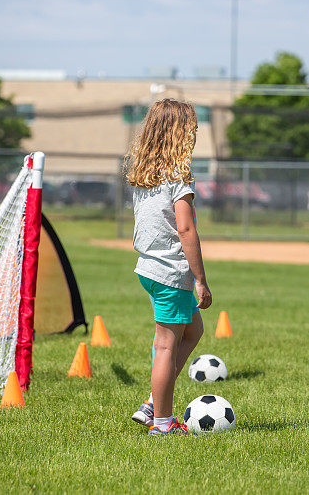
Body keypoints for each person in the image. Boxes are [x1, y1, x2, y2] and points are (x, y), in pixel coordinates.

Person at [126, 99, 212, 435]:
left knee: (194, 331)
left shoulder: (146, 173)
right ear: (180, 134)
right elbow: (186, 229)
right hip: (171, 273)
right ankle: (161, 422)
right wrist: (201, 280)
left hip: (149, 268)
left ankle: (152, 403)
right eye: (190, 129)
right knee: (165, 345)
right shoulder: (179, 175)